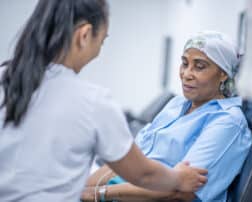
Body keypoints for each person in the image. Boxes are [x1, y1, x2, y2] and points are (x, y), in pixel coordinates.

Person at [0, 0, 208, 201]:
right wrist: (179, 178)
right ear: (84, 35)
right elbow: (144, 175)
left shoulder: (4, 75)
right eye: (101, 41)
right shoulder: (92, 102)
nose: (99, 51)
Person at [82, 31, 252, 202]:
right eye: (184, 64)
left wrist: (98, 194)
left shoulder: (228, 122)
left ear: (223, 73)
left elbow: (180, 192)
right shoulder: (176, 104)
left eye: (199, 67)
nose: (187, 74)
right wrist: (80, 190)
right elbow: (127, 163)